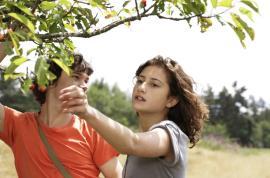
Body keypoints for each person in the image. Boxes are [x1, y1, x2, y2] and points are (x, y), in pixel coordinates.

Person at [59, 55, 209, 178]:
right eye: (140, 80)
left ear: (171, 100)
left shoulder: (169, 133)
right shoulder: (144, 140)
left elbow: (132, 143)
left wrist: (86, 111)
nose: (141, 88)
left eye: (154, 85)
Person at [0, 43, 122, 178]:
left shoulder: (94, 133)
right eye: (76, 77)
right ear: (50, 80)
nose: (84, 86)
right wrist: (13, 37)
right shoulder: (17, 124)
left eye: (86, 80)